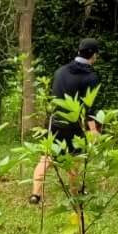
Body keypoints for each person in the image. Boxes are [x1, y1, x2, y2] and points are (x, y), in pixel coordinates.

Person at [29, 37, 103, 204]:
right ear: (94, 55)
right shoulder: (91, 77)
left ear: (79, 51)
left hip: (53, 120)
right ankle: (75, 193)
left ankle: (35, 195)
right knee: (74, 159)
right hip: (73, 123)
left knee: (46, 158)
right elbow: (90, 107)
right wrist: (93, 130)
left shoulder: (60, 71)